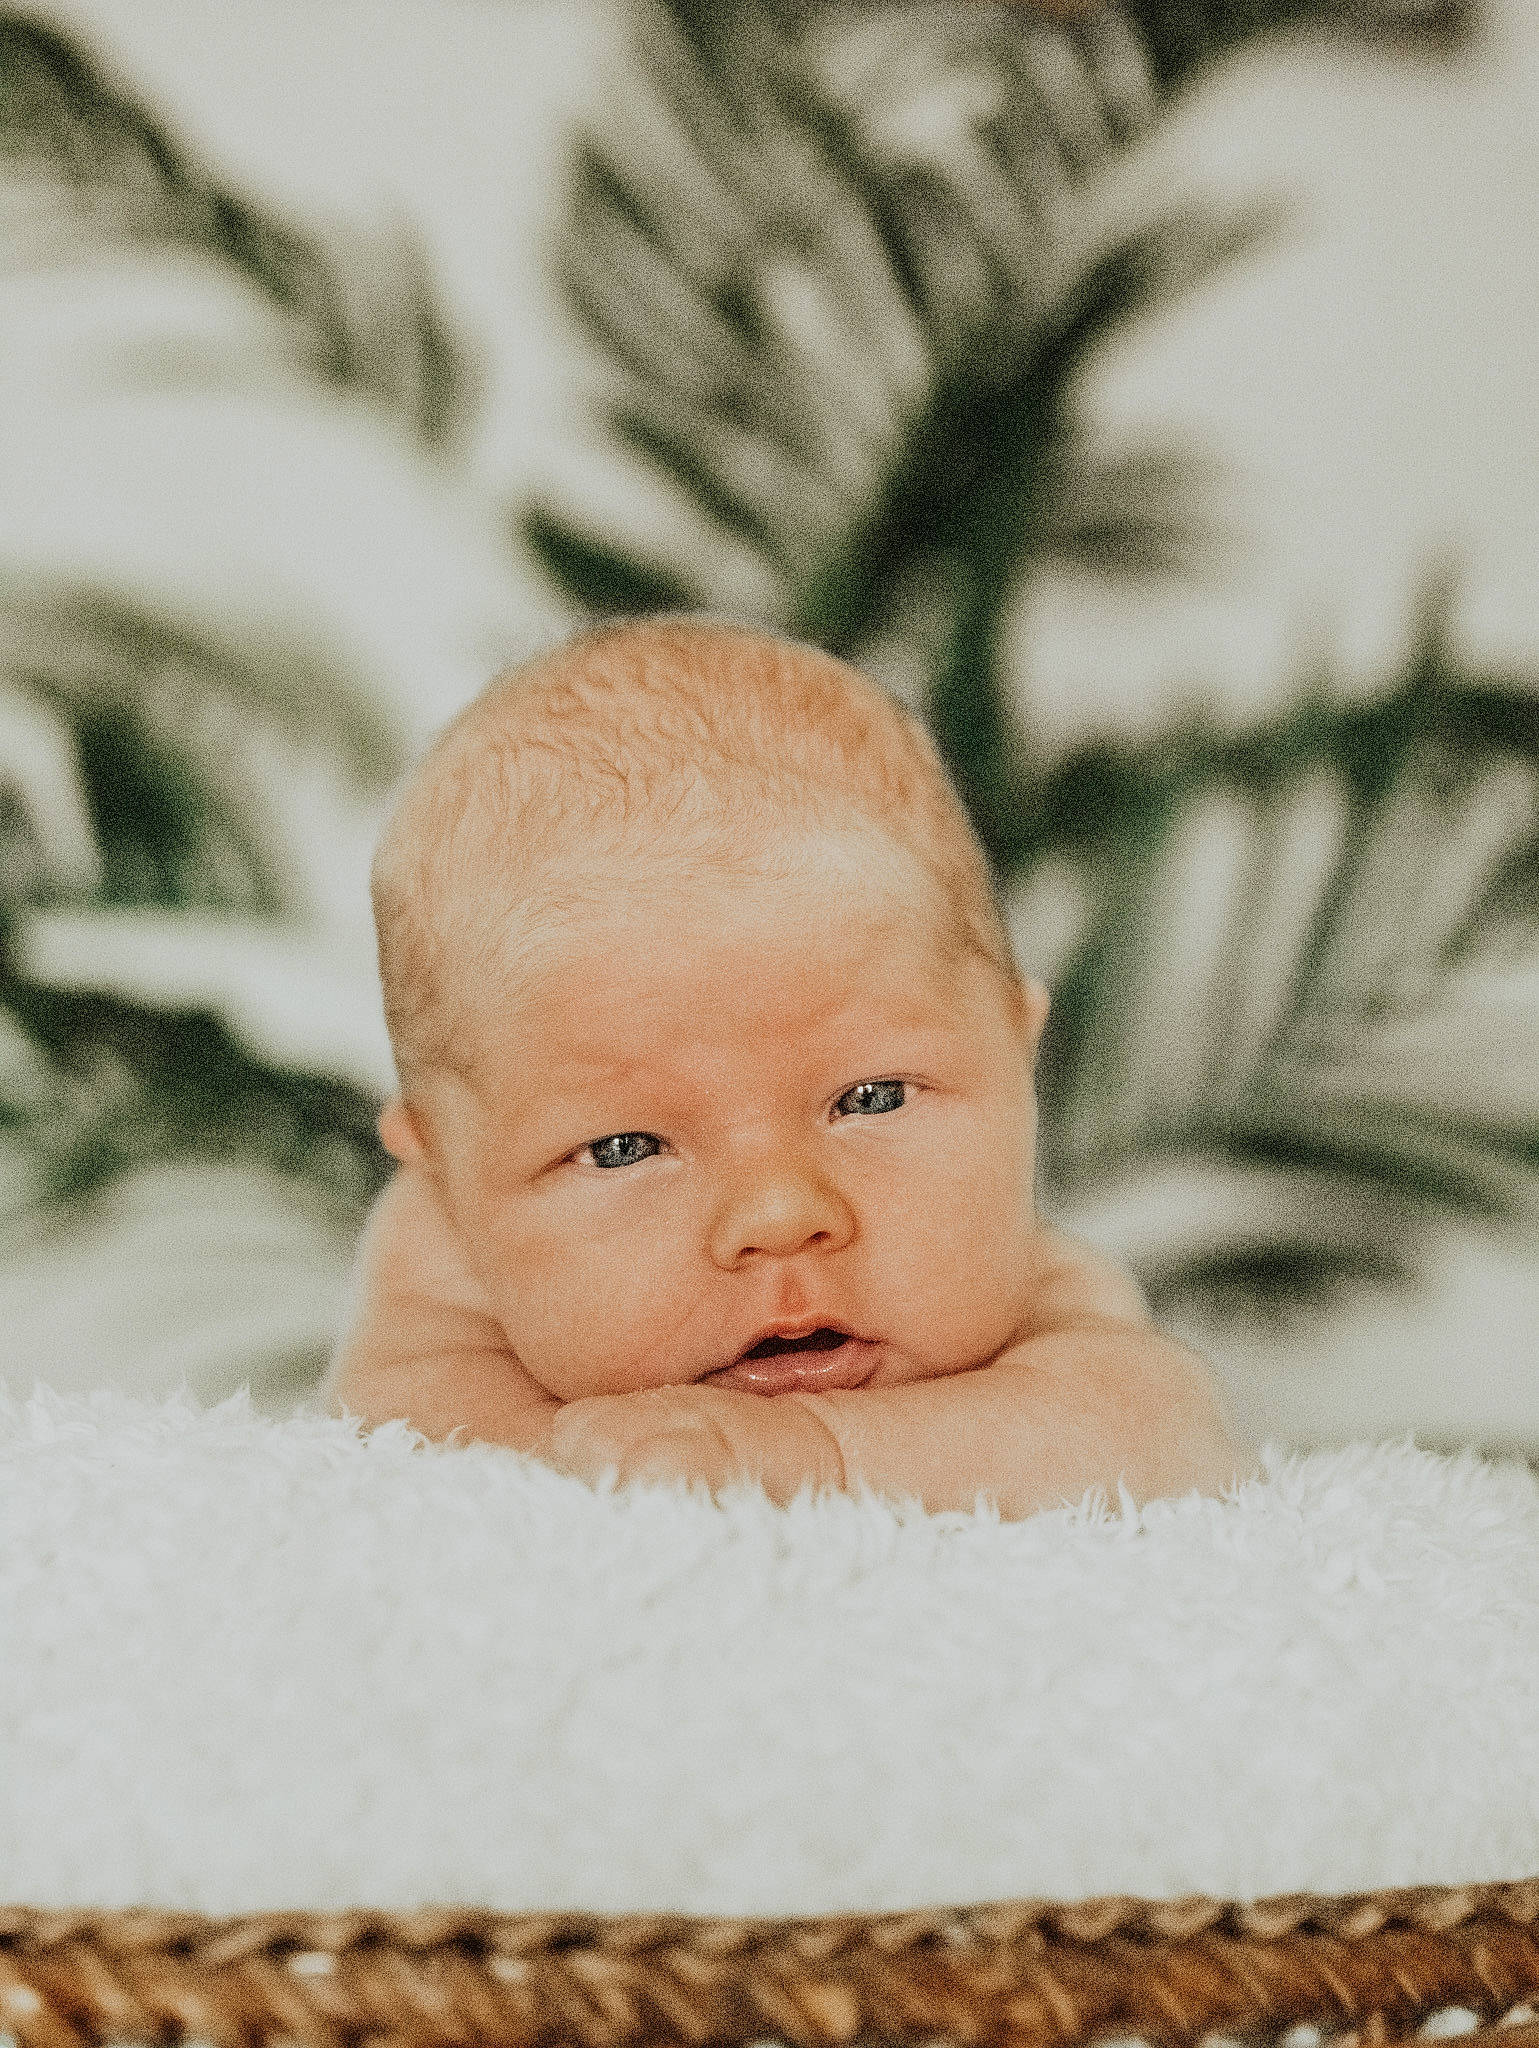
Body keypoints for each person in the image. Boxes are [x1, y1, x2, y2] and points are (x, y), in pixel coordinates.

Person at [324, 616, 1247, 1516]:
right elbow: (399, 1446)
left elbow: (1156, 1436)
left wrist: (810, 1457)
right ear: (445, 1170)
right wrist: (594, 1480)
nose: (778, 1215)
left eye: (870, 1098)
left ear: (1016, 1053)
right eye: (623, 1148)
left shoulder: (1033, 1288)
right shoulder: (445, 1251)